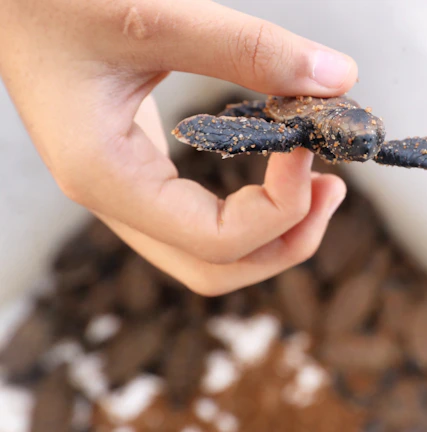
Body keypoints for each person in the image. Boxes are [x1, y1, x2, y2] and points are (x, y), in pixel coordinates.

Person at [0, 0, 357, 296]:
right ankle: (212, 126)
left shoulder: (353, 138)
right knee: (275, 134)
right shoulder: (294, 129)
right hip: (295, 108)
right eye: (356, 142)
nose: (365, 146)